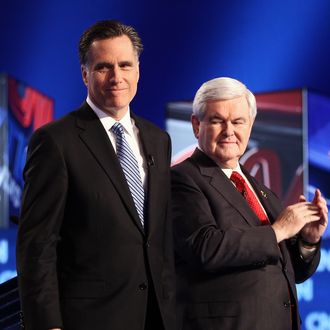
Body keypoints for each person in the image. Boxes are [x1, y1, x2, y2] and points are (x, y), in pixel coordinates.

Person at [16, 20, 176, 330]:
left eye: (125, 65)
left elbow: (158, 238)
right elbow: (37, 245)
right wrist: (47, 324)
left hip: (157, 317)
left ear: (138, 70)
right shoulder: (55, 141)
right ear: (85, 73)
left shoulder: (159, 139)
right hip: (89, 319)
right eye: (104, 67)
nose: (117, 77)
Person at [171, 77, 328, 330]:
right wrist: (279, 231)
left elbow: (293, 273)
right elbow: (206, 248)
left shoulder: (260, 189)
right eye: (217, 120)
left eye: (238, 121)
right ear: (196, 125)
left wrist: (308, 241)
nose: (229, 131)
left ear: (251, 125)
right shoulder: (180, 178)